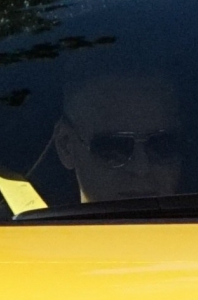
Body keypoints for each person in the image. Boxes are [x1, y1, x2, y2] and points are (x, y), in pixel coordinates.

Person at [49, 67, 183, 203]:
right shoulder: (32, 223)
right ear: (65, 146)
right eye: (114, 149)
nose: (141, 169)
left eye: (162, 146)